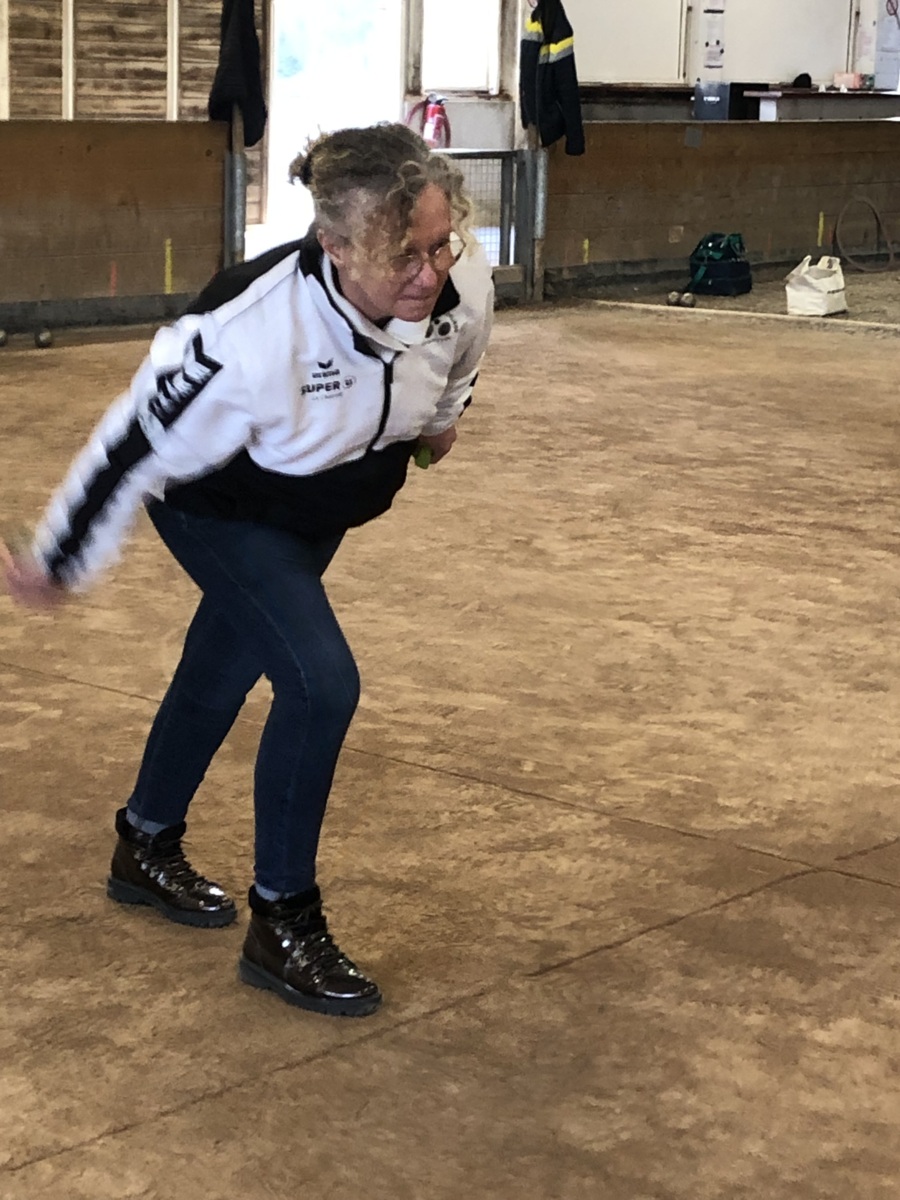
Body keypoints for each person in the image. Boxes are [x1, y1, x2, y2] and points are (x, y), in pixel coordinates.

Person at [2, 123, 495, 1018]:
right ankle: (283, 923)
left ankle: (144, 844)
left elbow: (459, 352)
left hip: (318, 504)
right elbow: (133, 441)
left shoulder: (458, 284)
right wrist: (61, 557)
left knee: (225, 663)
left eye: (439, 244)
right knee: (319, 681)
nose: (430, 273)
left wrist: (440, 417)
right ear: (335, 245)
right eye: (403, 256)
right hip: (218, 505)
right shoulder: (245, 334)